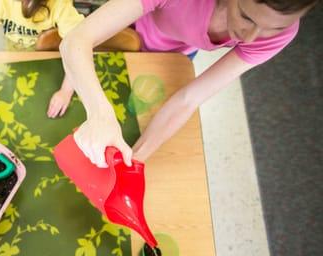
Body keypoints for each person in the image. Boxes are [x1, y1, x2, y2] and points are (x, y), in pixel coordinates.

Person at [59, 0, 319, 167]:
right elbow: (75, 41)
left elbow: (189, 99)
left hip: (175, 54)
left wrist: (135, 163)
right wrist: (100, 115)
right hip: (126, 33)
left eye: (273, 28)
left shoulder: (277, 34)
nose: (251, 38)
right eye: (246, 17)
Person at [0, 0, 84, 118]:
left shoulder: (60, 5)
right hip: (15, 57)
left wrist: (66, 90)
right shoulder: (4, 2)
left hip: (50, 62)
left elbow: (77, 47)